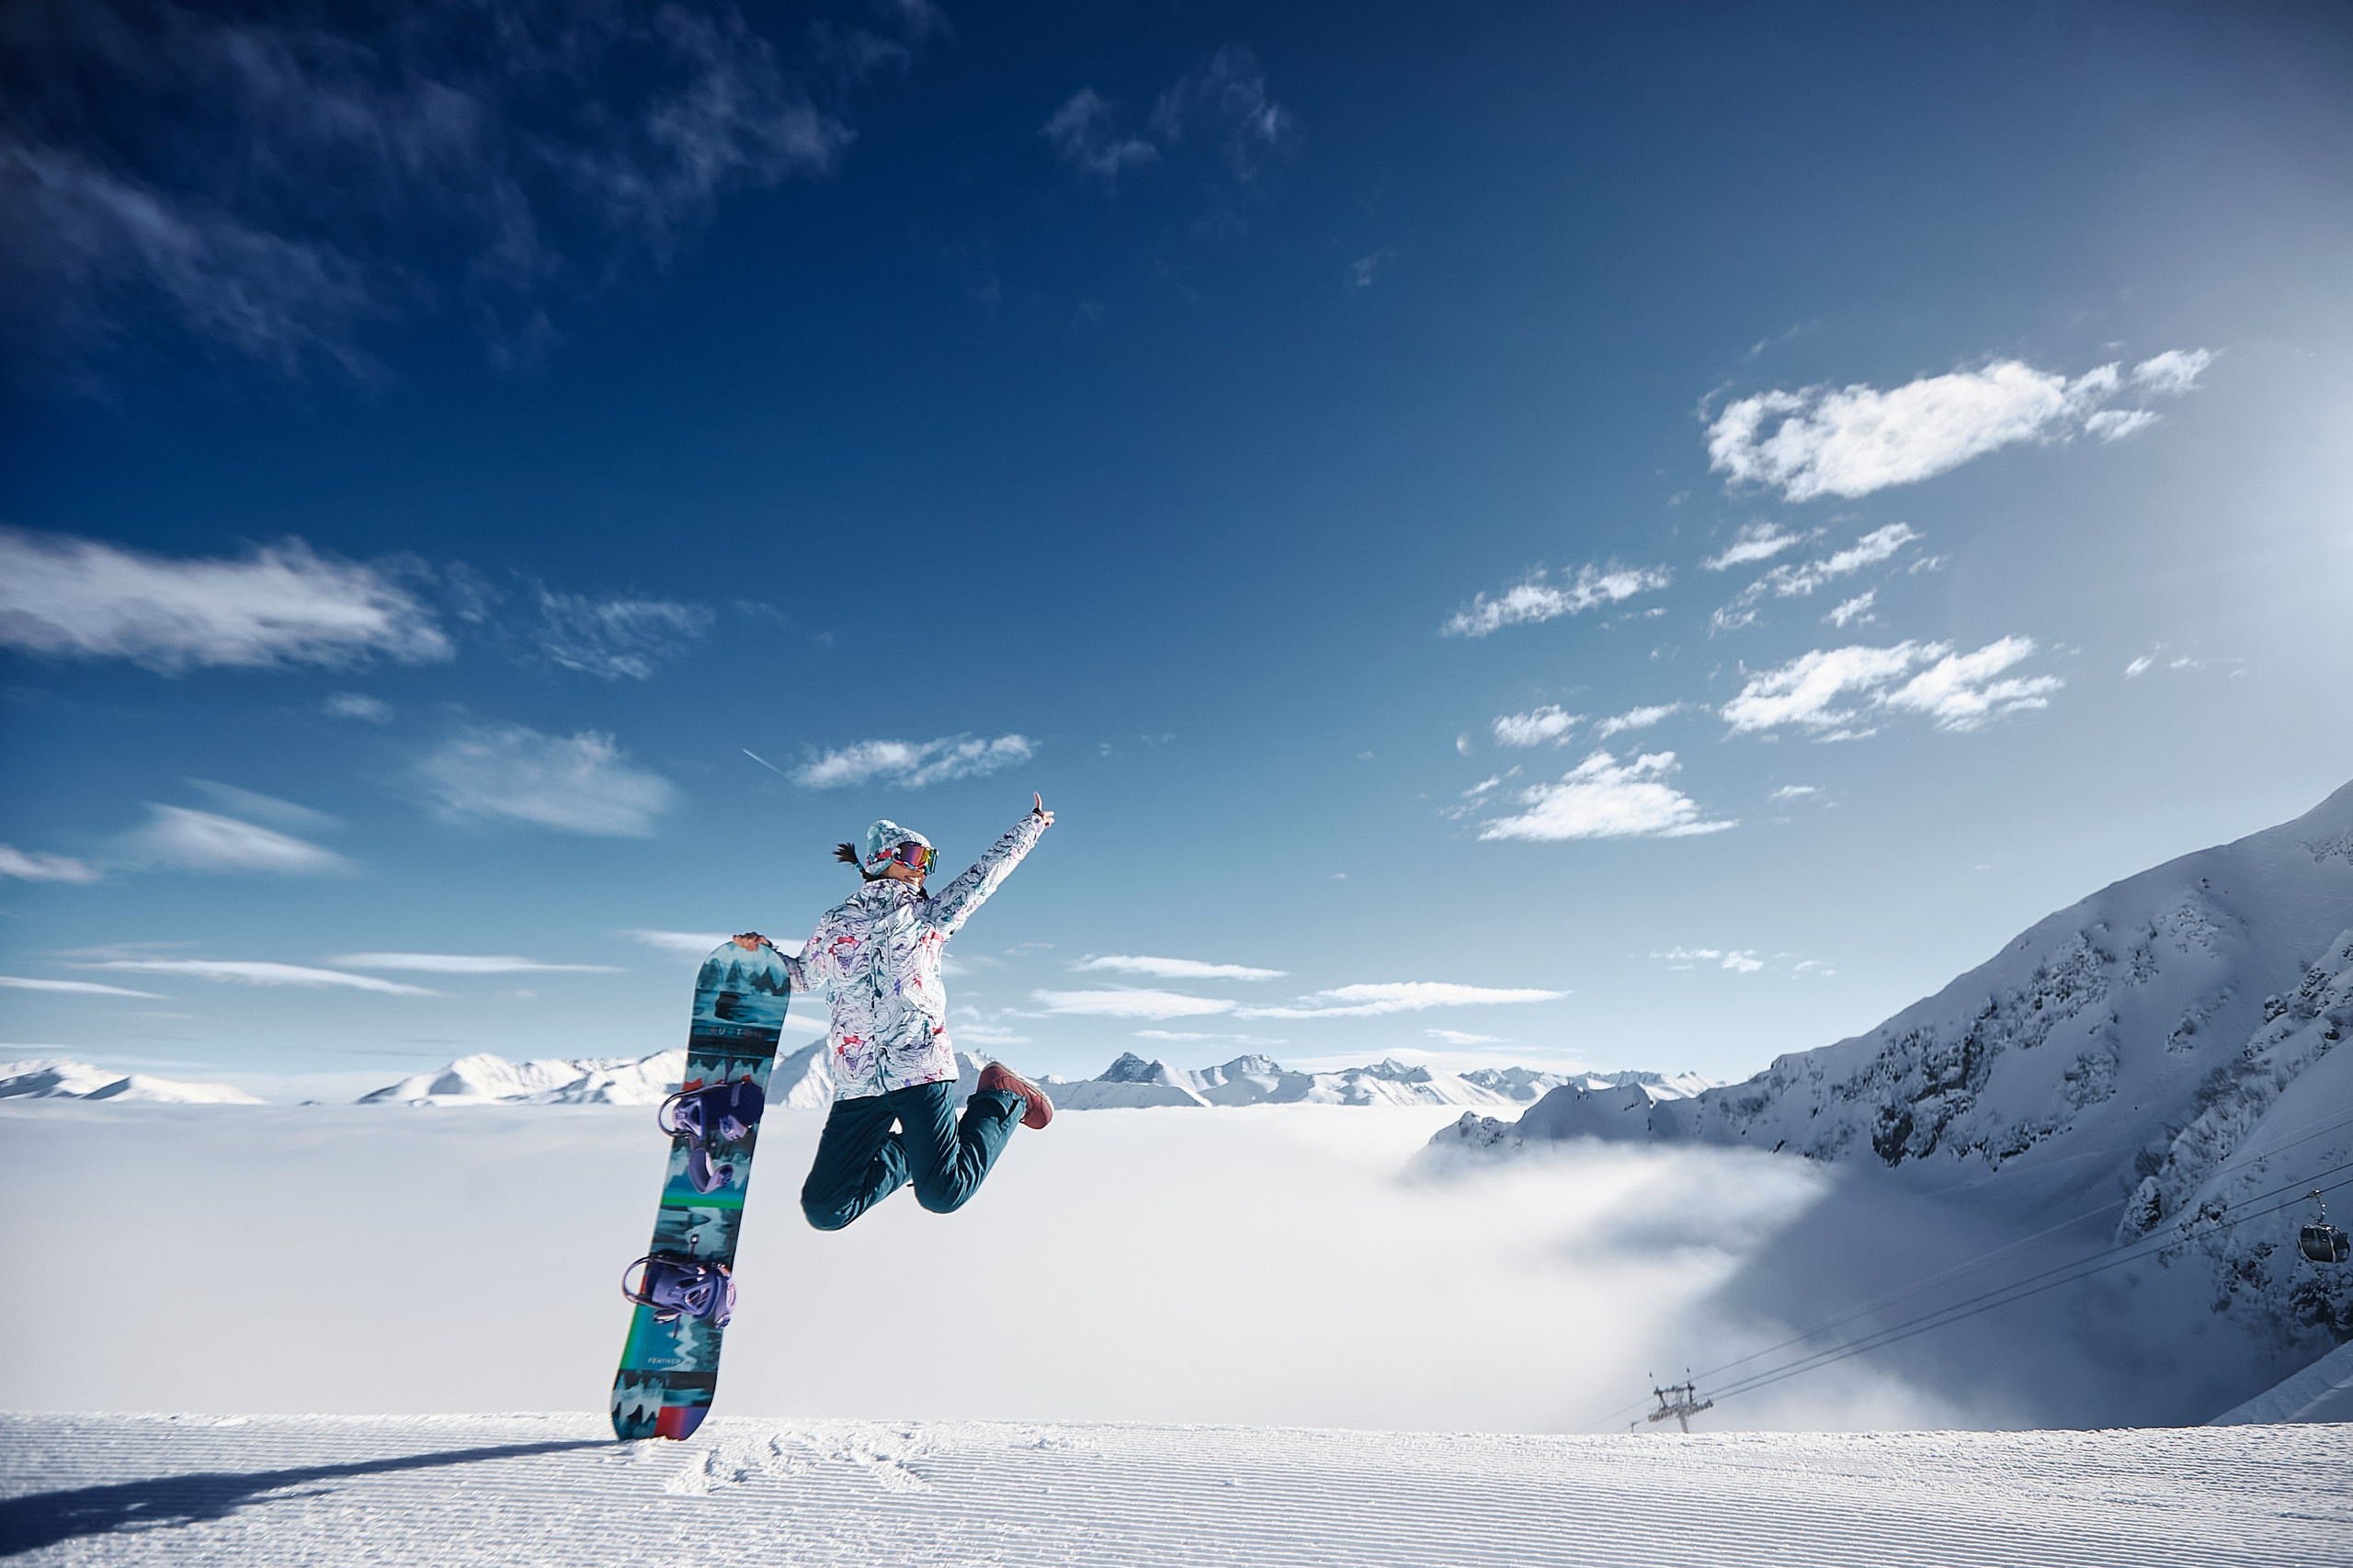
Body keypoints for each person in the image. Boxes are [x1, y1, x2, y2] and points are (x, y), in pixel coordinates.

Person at [733, 793, 1056, 1232]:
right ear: (881, 858)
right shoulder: (836, 922)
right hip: (858, 1082)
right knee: (825, 1208)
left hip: (919, 1066)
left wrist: (1031, 826)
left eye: (930, 859)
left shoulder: (929, 915)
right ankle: (908, 1153)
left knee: (943, 1194)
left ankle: (1004, 1097)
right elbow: (804, 976)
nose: (923, 866)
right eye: (914, 855)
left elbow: (985, 875)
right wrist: (766, 954)